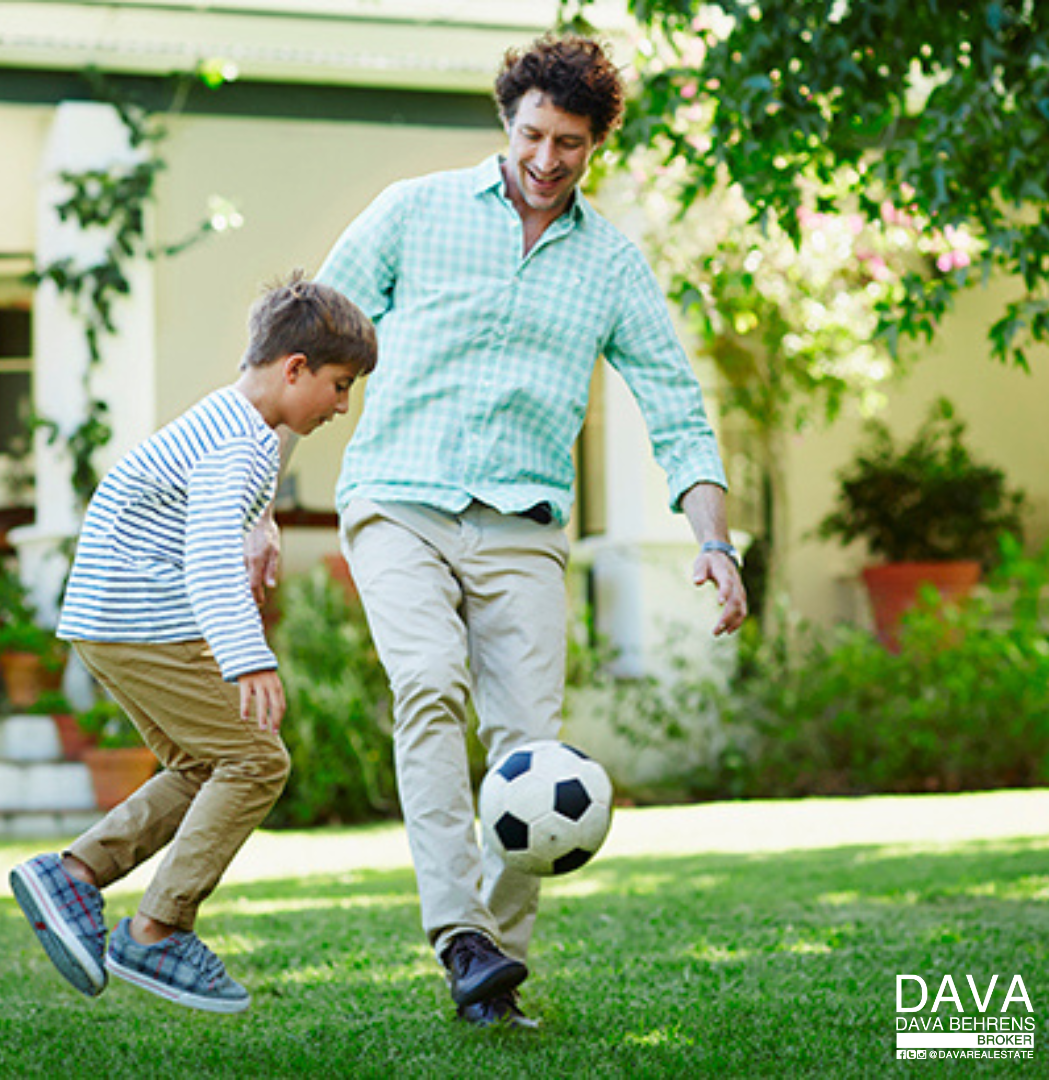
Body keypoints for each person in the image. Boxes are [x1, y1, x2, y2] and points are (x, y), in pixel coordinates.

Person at [249, 33, 749, 1029]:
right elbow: (300, 351)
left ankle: (495, 975)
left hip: (522, 527)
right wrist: (256, 499)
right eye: (533, 133)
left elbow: (676, 407)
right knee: (430, 685)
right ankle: (459, 934)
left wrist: (715, 540)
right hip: (399, 500)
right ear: (507, 121)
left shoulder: (609, 262)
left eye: (571, 142)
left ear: (596, 141)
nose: (547, 159)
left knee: (534, 750)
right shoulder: (414, 211)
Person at [10, 274, 377, 1015]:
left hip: (111, 615)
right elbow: (210, 553)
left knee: (207, 761)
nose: (343, 406)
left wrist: (263, 523)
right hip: (140, 616)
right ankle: (157, 928)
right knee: (256, 758)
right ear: (294, 368)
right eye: (339, 386)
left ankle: (74, 877)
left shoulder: (238, 424)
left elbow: (234, 496)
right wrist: (249, 656)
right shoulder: (239, 446)